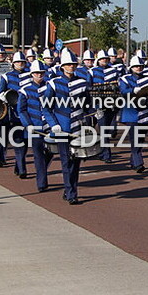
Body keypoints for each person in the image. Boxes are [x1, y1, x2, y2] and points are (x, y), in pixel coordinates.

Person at [42, 48, 90, 204]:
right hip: (61, 128)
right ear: (62, 66)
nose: (71, 67)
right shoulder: (54, 83)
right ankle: (71, 193)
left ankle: (70, 189)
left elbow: (87, 104)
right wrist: (53, 124)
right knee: (65, 161)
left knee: (76, 161)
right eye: (68, 64)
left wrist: (95, 111)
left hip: (78, 127)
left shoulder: (82, 82)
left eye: (73, 64)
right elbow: (46, 107)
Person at [17, 60, 52, 191]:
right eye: (36, 73)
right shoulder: (25, 90)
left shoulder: (49, 86)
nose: (39, 75)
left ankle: (41, 170)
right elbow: (21, 110)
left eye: (41, 73)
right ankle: (42, 183)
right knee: (38, 155)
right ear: (32, 74)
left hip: (49, 126)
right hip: (34, 126)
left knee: (50, 152)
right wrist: (28, 124)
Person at [0, 51, 31, 175]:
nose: (20, 64)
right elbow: (0, 92)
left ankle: (19, 165)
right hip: (14, 113)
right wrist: (4, 97)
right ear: (13, 63)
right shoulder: (7, 76)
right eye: (17, 62)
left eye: (22, 62)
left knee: (26, 142)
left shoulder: (30, 75)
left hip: (28, 113)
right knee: (18, 141)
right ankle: (22, 169)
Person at [119, 55, 148, 173]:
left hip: (144, 112)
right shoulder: (125, 79)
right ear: (131, 67)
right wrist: (133, 90)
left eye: (140, 66)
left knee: (141, 138)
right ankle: (139, 162)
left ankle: (133, 161)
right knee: (135, 139)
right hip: (131, 112)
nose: (138, 68)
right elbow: (123, 92)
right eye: (136, 66)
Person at [91, 49, 119, 163]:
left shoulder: (114, 70)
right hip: (99, 104)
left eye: (106, 59)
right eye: (102, 59)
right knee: (103, 129)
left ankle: (103, 152)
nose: (104, 61)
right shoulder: (93, 71)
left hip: (111, 104)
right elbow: (89, 87)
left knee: (107, 129)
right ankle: (107, 154)